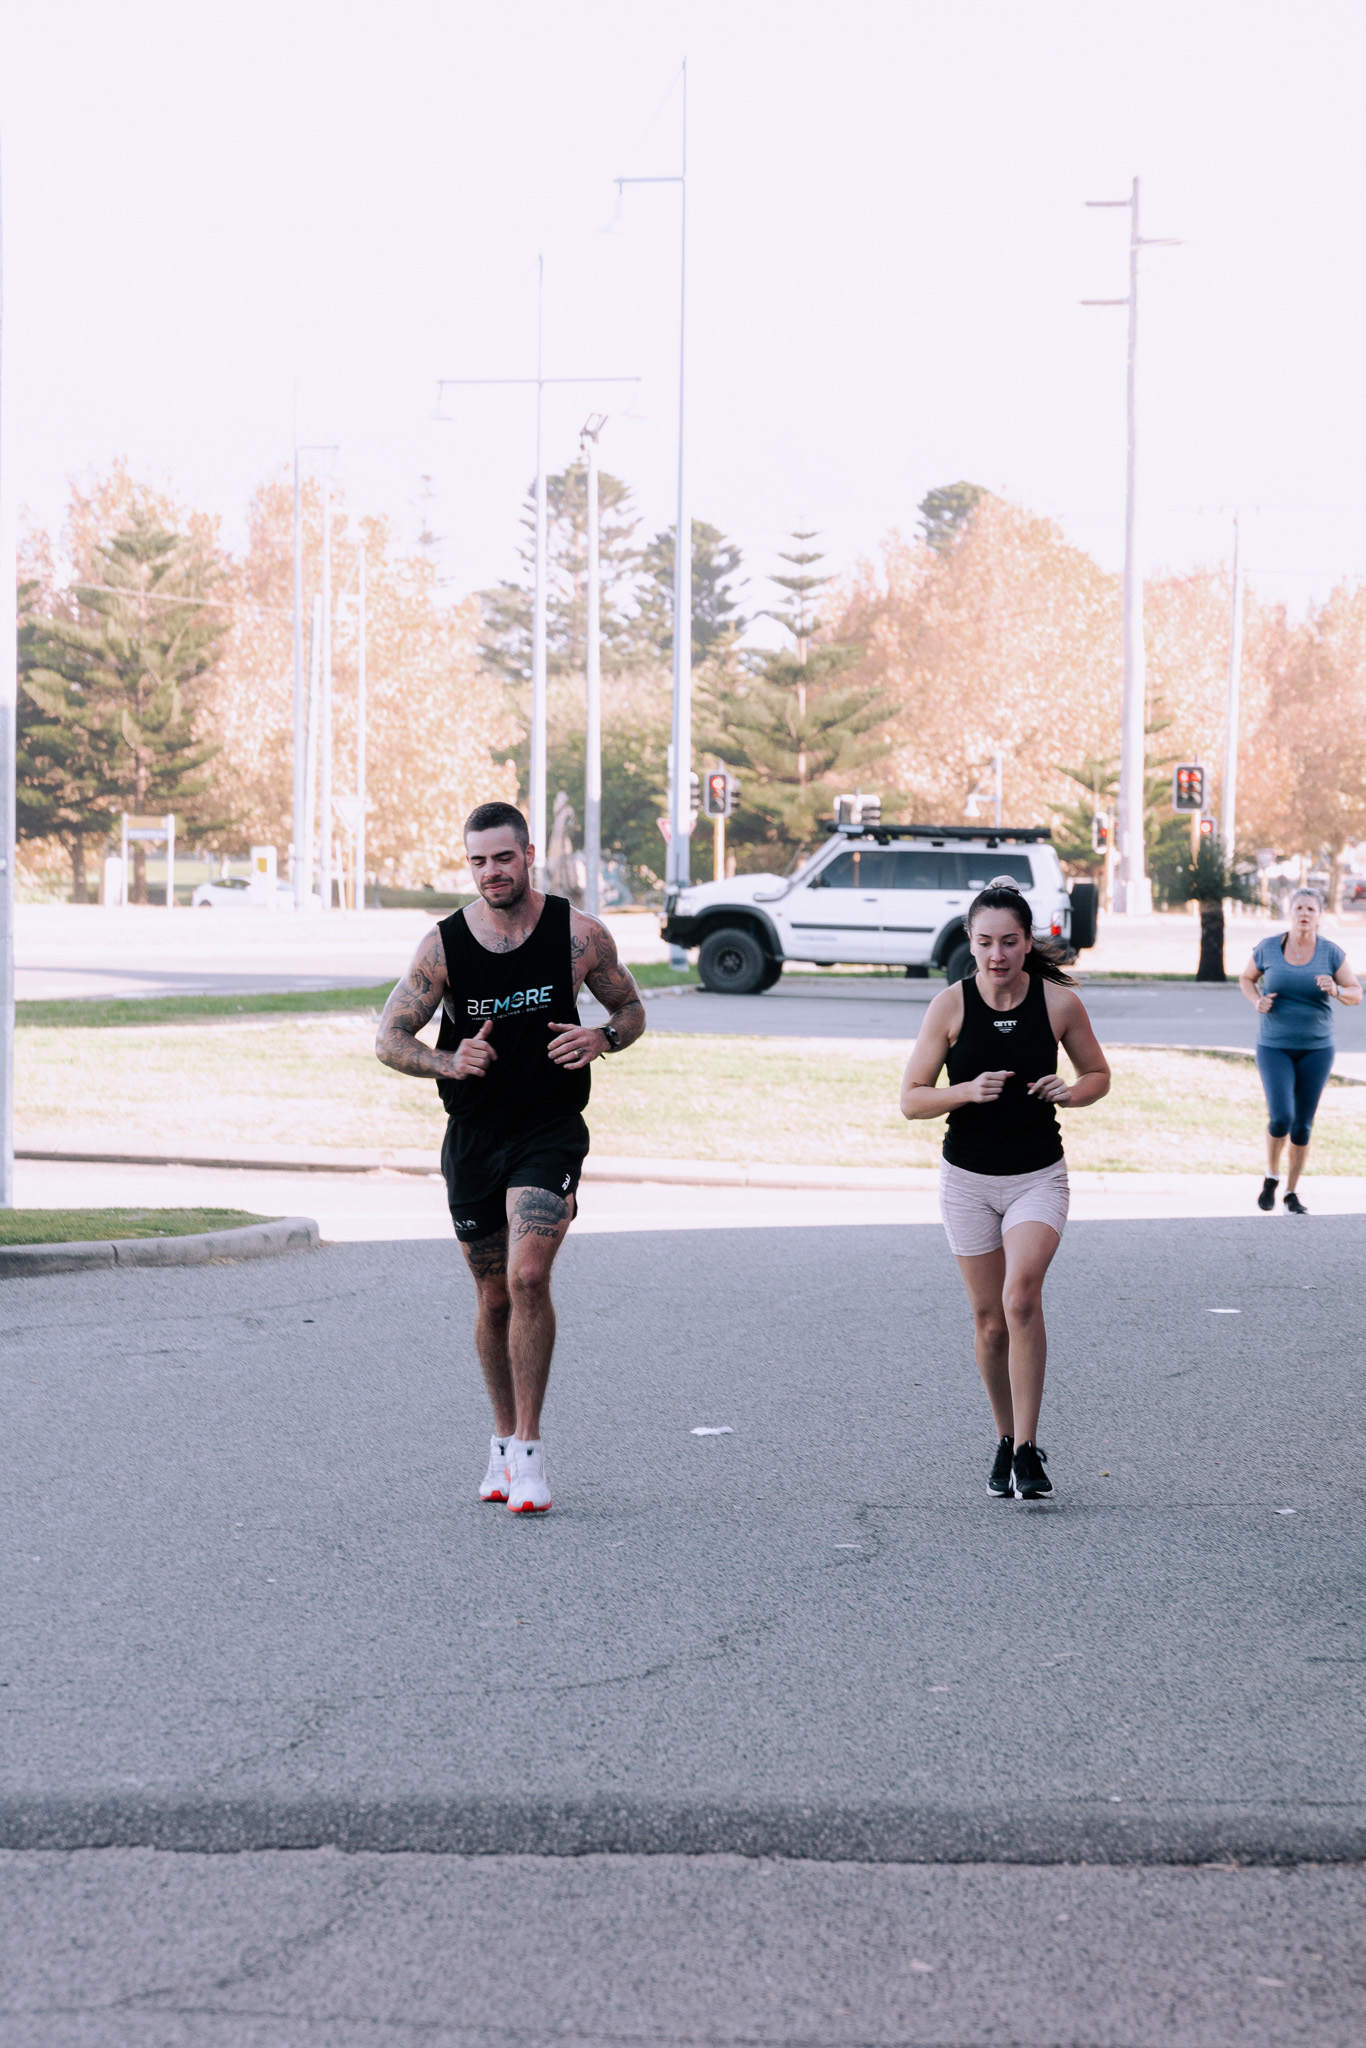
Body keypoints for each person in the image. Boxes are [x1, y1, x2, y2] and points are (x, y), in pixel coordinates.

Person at [375, 801, 646, 1513]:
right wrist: (447, 1060)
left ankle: (529, 1453)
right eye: (478, 861)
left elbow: (630, 1011)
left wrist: (602, 1039)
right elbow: (388, 1038)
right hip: (474, 1138)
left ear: (528, 855)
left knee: (528, 1277)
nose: (491, 871)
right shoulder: (442, 947)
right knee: (493, 1296)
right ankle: (500, 1440)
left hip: (549, 1130)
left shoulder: (579, 935)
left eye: (503, 857)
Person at [900, 881, 1111, 1501]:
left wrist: (1072, 1092)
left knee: (1020, 1299)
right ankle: (1003, 1436)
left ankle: (1027, 1448)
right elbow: (911, 1100)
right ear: (970, 942)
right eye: (986, 942)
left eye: (1010, 942)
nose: (998, 954)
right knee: (990, 1322)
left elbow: (1098, 1074)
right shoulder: (949, 1006)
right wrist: (966, 1091)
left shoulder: (1059, 1004)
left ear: (1027, 942)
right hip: (967, 1182)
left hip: (1036, 1177)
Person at [1239, 888, 1361, 1215]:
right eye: (1299, 908)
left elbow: (1356, 993)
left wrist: (1336, 989)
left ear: (1319, 916)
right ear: (1289, 912)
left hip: (1316, 1049)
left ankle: (1291, 1193)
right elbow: (1246, 978)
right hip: (1274, 1046)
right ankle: (1271, 1175)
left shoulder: (1331, 953)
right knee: (1281, 1118)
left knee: (1303, 1126)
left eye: (1310, 909)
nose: (1304, 914)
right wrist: (1256, 1000)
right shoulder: (1268, 948)